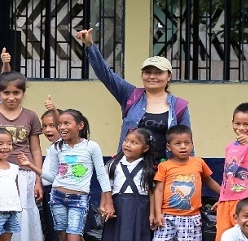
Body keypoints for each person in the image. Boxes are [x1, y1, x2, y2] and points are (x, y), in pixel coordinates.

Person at [74, 28, 191, 161]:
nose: (152, 76)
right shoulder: (130, 95)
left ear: (169, 76)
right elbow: (105, 74)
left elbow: (186, 141)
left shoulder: (179, 106)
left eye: (159, 73)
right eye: (148, 72)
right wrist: (90, 45)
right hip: (130, 170)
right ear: (142, 75)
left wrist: (189, 172)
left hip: (164, 172)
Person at [0, 72, 45, 241]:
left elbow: (36, 150)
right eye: (6, 92)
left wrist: (38, 179)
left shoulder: (31, 116)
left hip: (24, 172)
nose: (11, 97)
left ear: (23, 93)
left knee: (21, 212)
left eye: (16, 93)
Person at [41, 108, 112, 241]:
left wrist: (108, 200)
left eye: (67, 123)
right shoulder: (57, 147)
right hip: (57, 197)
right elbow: (52, 176)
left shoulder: (91, 147)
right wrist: (31, 167)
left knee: (74, 238)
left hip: (79, 199)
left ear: (80, 126)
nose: (61, 127)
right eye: (59, 124)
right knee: (62, 237)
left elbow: (102, 175)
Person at [150, 125, 222, 241]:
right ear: (168, 147)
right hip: (167, 216)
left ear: (192, 144)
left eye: (186, 143)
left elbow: (209, 181)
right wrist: (158, 214)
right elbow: (158, 190)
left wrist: (225, 196)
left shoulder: (198, 163)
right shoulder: (165, 167)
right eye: (178, 143)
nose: (183, 147)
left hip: (192, 216)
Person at [103, 128, 158, 241]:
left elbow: (152, 192)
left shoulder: (149, 169)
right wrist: (104, 206)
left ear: (145, 148)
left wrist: (152, 214)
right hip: (118, 206)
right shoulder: (113, 165)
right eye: (126, 140)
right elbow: (106, 188)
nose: (127, 144)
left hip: (140, 208)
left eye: (134, 143)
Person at [214, 103, 248, 241]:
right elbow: (227, 175)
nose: (241, 128)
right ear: (232, 123)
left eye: (246, 124)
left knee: (241, 236)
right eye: (237, 123)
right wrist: (222, 198)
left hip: (244, 199)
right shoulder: (229, 146)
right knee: (221, 238)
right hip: (226, 201)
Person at [39, 100, 60, 241]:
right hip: (48, 192)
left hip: (59, 191)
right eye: (44, 126)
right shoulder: (52, 147)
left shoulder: (64, 145)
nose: (47, 130)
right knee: (52, 230)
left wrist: (54, 110)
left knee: (60, 231)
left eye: (52, 125)